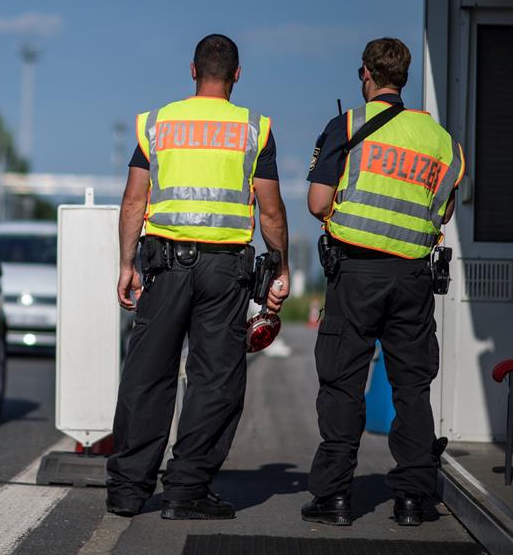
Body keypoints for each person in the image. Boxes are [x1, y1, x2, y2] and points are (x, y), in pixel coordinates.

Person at [106, 33, 290, 520]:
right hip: (225, 273)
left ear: (192, 70)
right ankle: (186, 490)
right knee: (214, 380)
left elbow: (134, 199)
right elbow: (271, 210)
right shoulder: (254, 128)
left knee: (148, 375)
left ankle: (127, 491)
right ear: (237, 75)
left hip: (164, 265)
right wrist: (281, 267)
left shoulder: (158, 123)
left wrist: (126, 265)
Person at [303, 38, 464, 527]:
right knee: (411, 387)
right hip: (412, 278)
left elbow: (317, 202)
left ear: (366, 75)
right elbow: (443, 212)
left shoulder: (348, 126)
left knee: (343, 383)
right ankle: (413, 499)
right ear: (404, 78)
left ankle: (334, 497)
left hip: (356, 274)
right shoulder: (440, 140)